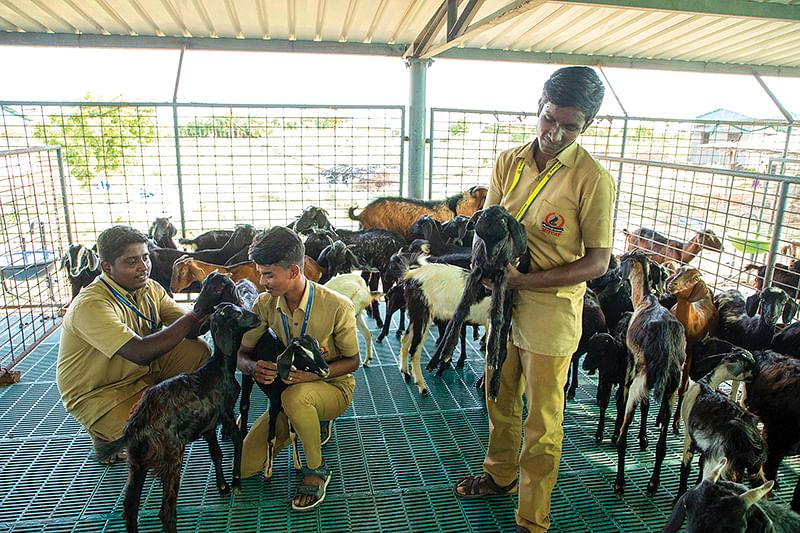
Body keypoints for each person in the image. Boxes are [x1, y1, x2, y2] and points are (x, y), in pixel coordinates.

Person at [453, 66, 615, 533]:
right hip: (504, 302)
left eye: (570, 126)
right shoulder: (509, 161)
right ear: (538, 108)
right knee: (499, 395)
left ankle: (532, 519)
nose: (555, 133)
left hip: (550, 308)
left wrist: (524, 282)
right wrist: (485, 272)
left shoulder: (592, 180)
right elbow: (488, 224)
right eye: (549, 119)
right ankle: (499, 474)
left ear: (587, 126)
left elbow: (598, 262)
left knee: (542, 421)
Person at [57, 225, 213, 464]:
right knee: (155, 445)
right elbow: (139, 352)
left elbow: (191, 329)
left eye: (145, 257)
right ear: (107, 267)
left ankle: (154, 406)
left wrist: (215, 306)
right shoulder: (91, 305)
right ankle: (102, 433)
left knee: (198, 350)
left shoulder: (150, 288)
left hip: (142, 373)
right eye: (131, 262)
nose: (143, 267)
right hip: (102, 392)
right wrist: (196, 312)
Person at [238, 226, 360, 511]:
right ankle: (303, 421)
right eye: (260, 273)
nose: (261, 281)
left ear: (293, 272)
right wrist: (253, 366)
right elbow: (241, 354)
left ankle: (316, 470)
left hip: (333, 386)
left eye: (268, 274)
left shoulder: (338, 307)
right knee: (244, 467)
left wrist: (318, 374)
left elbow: (353, 362)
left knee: (296, 398)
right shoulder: (265, 304)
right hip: (290, 386)